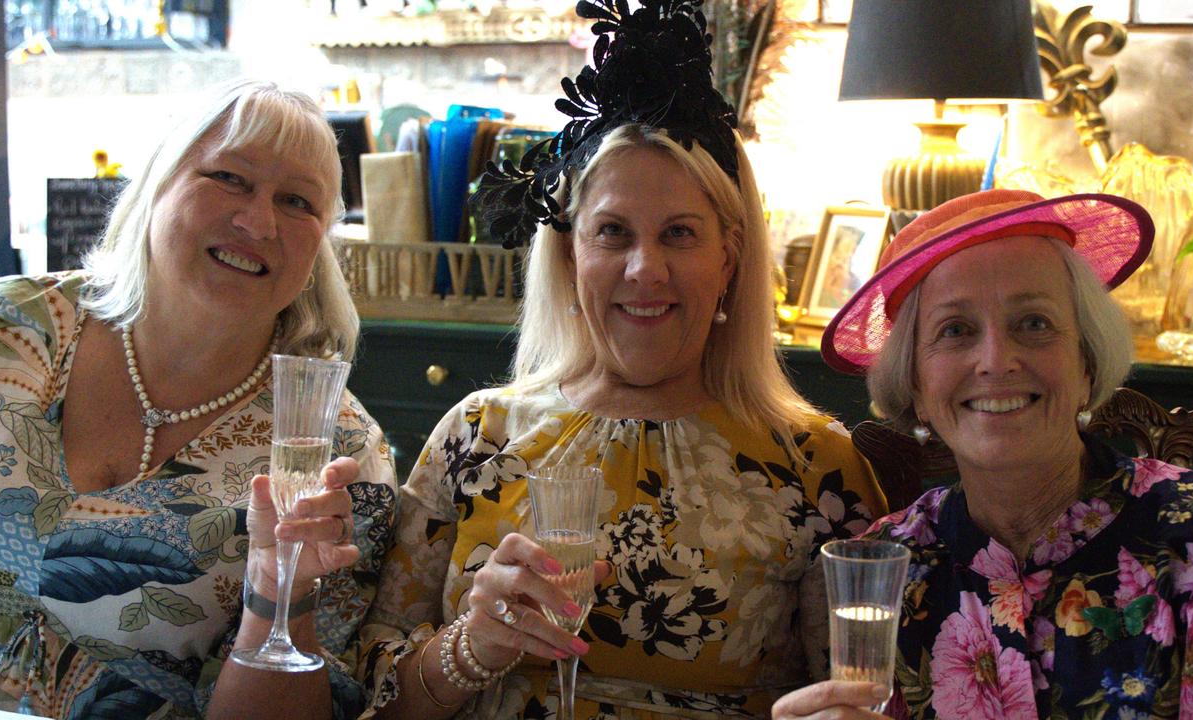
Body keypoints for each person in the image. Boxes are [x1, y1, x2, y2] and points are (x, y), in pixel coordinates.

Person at [354, 0, 886, 717]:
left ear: (729, 259)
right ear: (570, 254)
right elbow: (374, 698)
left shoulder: (816, 467)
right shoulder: (475, 435)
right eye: (612, 232)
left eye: (679, 233)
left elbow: (857, 698)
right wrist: (472, 645)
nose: (644, 270)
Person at [0, 79, 397, 719]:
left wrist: (274, 593)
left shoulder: (340, 458)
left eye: (296, 201)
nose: (258, 221)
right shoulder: (2, 332)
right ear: (158, 183)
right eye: (230, 178)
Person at [773, 189, 1193, 719]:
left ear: (1087, 363)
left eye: (1033, 323)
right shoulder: (885, 568)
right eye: (955, 330)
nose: (996, 361)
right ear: (915, 386)